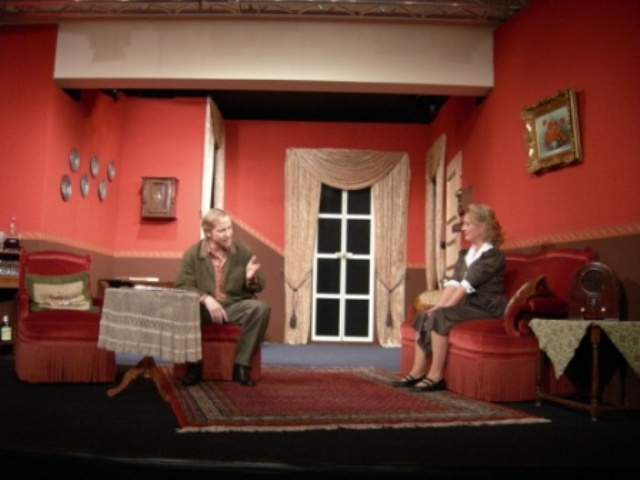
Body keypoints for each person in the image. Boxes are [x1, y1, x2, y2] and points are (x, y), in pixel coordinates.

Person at [392, 203, 506, 392]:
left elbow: (465, 286)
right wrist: (438, 305)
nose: (463, 228)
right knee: (425, 314)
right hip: (468, 304)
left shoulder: (492, 255)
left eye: (467, 224)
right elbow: (454, 283)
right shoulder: (466, 254)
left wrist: (443, 309)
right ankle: (417, 371)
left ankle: (436, 376)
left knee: (440, 315)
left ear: (482, 227)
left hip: (486, 307)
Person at [175, 208, 271, 387]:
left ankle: (241, 366)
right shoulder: (192, 254)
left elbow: (260, 285)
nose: (228, 234)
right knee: (184, 309)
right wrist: (206, 298)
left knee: (260, 308)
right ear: (208, 233)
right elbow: (182, 286)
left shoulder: (242, 251)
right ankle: (193, 367)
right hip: (204, 309)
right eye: (222, 230)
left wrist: (251, 278)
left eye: (229, 228)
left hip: (233, 305)